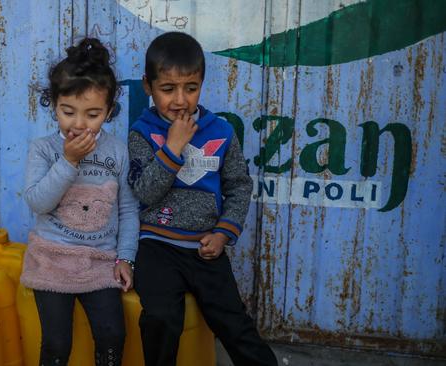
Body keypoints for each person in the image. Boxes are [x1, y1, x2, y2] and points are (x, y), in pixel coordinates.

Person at [127, 31, 278, 366]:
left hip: (205, 248)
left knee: (233, 323)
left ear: (201, 85)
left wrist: (224, 232)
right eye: (168, 89)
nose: (180, 100)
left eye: (191, 88)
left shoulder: (221, 131)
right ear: (147, 87)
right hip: (157, 245)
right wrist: (173, 147)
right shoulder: (141, 133)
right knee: (161, 319)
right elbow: (145, 191)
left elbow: (239, 185)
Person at [20, 38, 139, 366]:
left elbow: (127, 208)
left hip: (100, 261)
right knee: (57, 343)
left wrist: (126, 258)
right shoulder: (44, 149)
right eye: (68, 111)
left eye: (93, 113)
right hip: (51, 258)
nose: (79, 124)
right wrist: (68, 162)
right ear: (54, 104)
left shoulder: (117, 150)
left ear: (109, 111)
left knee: (113, 334)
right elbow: (38, 202)